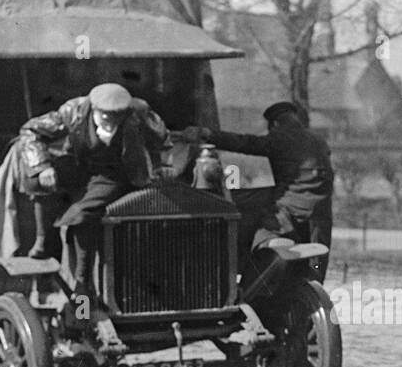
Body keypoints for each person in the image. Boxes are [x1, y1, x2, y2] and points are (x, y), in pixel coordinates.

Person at [17, 83, 168, 297]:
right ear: (93, 107)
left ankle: (82, 283)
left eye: (115, 115)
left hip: (113, 174)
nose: (109, 119)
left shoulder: (139, 111)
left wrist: (158, 165)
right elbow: (31, 130)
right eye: (103, 114)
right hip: (80, 166)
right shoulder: (74, 110)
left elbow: (162, 137)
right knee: (35, 179)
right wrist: (42, 167)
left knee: (82, 213)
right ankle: (43, 242)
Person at [182, 101, 334, 281]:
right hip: (320, 213)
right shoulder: (318, 140)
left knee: (262, 234)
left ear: (275, 124)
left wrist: (208, 134)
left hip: (291, 210)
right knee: (316, 257)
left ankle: (256, 278)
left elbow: (245, 143)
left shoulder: (280, 139)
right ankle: (312, 284)